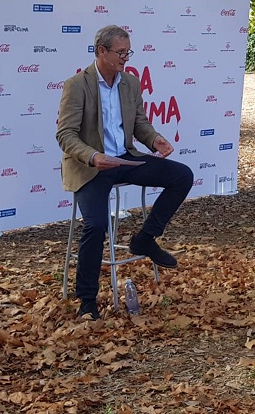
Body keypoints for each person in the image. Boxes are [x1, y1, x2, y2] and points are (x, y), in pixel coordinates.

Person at [56, 25, 194, 320]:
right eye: (121, 52)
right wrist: (93, 157)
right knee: (95, 225)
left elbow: (139, 124)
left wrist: (154, 139)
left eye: (128, 52)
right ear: (101, 51)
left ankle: (145, 238)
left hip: (125, 159)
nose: (126, 58)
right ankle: (87, 301)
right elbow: (65, 135)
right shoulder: (77, 85)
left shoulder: (130, 83)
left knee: (182, 176)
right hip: (90, 167)